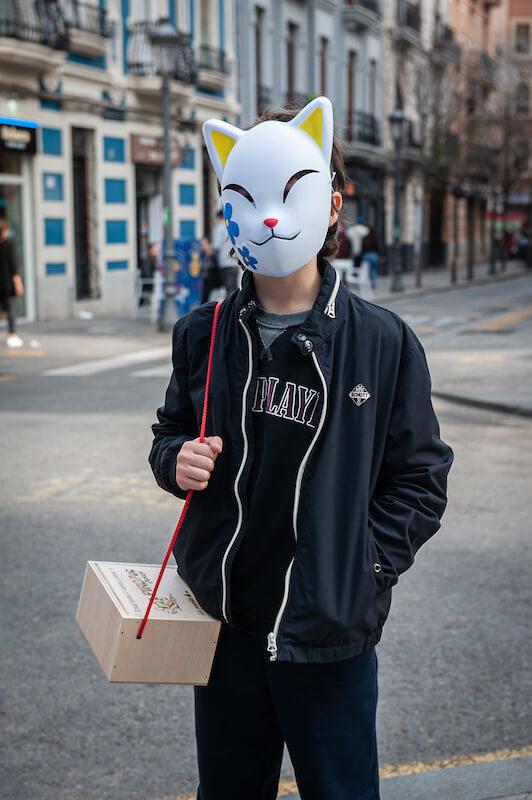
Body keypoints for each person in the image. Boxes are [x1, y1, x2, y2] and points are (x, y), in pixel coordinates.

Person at [149, 96, 454, 800]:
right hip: (227, 628)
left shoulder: (380, 341)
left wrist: (364, 569)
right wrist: (175, 461)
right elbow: (169, 432)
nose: (271, 215)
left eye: (291, 190)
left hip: (328, 635)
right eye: (247, 194)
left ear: (332, 205)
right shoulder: (205, 331)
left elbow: (422, 476)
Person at [0, 219, 24, 347]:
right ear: (5, 231)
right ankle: (12, 335)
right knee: (11, 311)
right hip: (8, 285)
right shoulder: (9, 246)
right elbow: (14, 267)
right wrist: (18, 284)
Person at [211, 208, 241, 294]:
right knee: (235, 289)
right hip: (235, 262)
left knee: (228, 289)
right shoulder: (233, 225)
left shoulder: (219, 227)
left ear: (220, 216)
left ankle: (231, 307)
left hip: (224, 262)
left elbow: (216, 246)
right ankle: (236, 306)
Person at [199, 237, 222, 303]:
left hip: (214, 284)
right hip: (205, 281)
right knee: (204, 300)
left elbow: (217, 270)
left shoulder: (214, 255)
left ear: (209, 244)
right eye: (201, 245)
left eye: (204, 244)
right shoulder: (203, 255)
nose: (202, 246)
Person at [360, 225, 380, 290]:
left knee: (365, 270)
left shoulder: (365, 238)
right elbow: (377, 247)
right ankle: (372, 283)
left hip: (366, 255)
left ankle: (365, 283)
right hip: (373, 255)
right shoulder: (375, 238)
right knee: (373, 270)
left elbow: (362, 248)